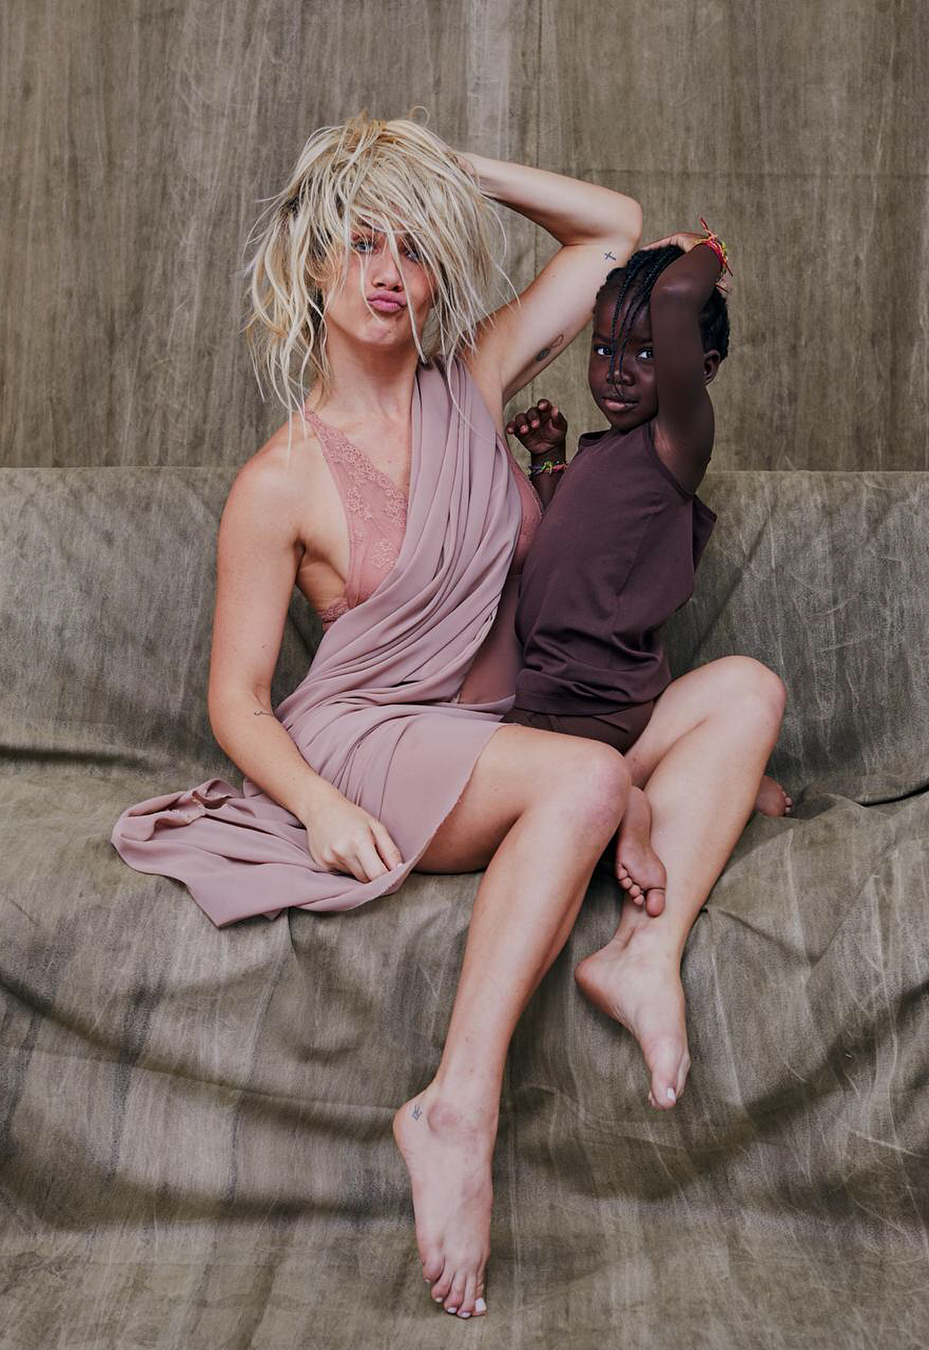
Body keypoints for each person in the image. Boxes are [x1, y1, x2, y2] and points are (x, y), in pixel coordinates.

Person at [107, 112, 773, 1322]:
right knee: (587, 781)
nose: (388, 271)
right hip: (377, 741)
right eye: (363, 240)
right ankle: (455, 1109)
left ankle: (646, 954)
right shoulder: (280, 479)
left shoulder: (470, 377)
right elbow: (236, 702)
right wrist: (316, 807)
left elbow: (615, 231)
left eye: (413, 247)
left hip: (522, 725)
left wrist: (445, 169)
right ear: (313, 261)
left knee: (746, 694)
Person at [503, 233, 793, 924]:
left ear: (701, 367)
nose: (617, 373)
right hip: (575, 691)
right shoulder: (605, 451)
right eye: (604, 350)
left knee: (494, 790)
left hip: (581, 702)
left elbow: (676, 295)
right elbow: (568, 551)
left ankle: (628, 812)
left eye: (647, 354)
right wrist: (548, 461)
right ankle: (710, 781)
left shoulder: (676, 443)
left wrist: (707, 247)